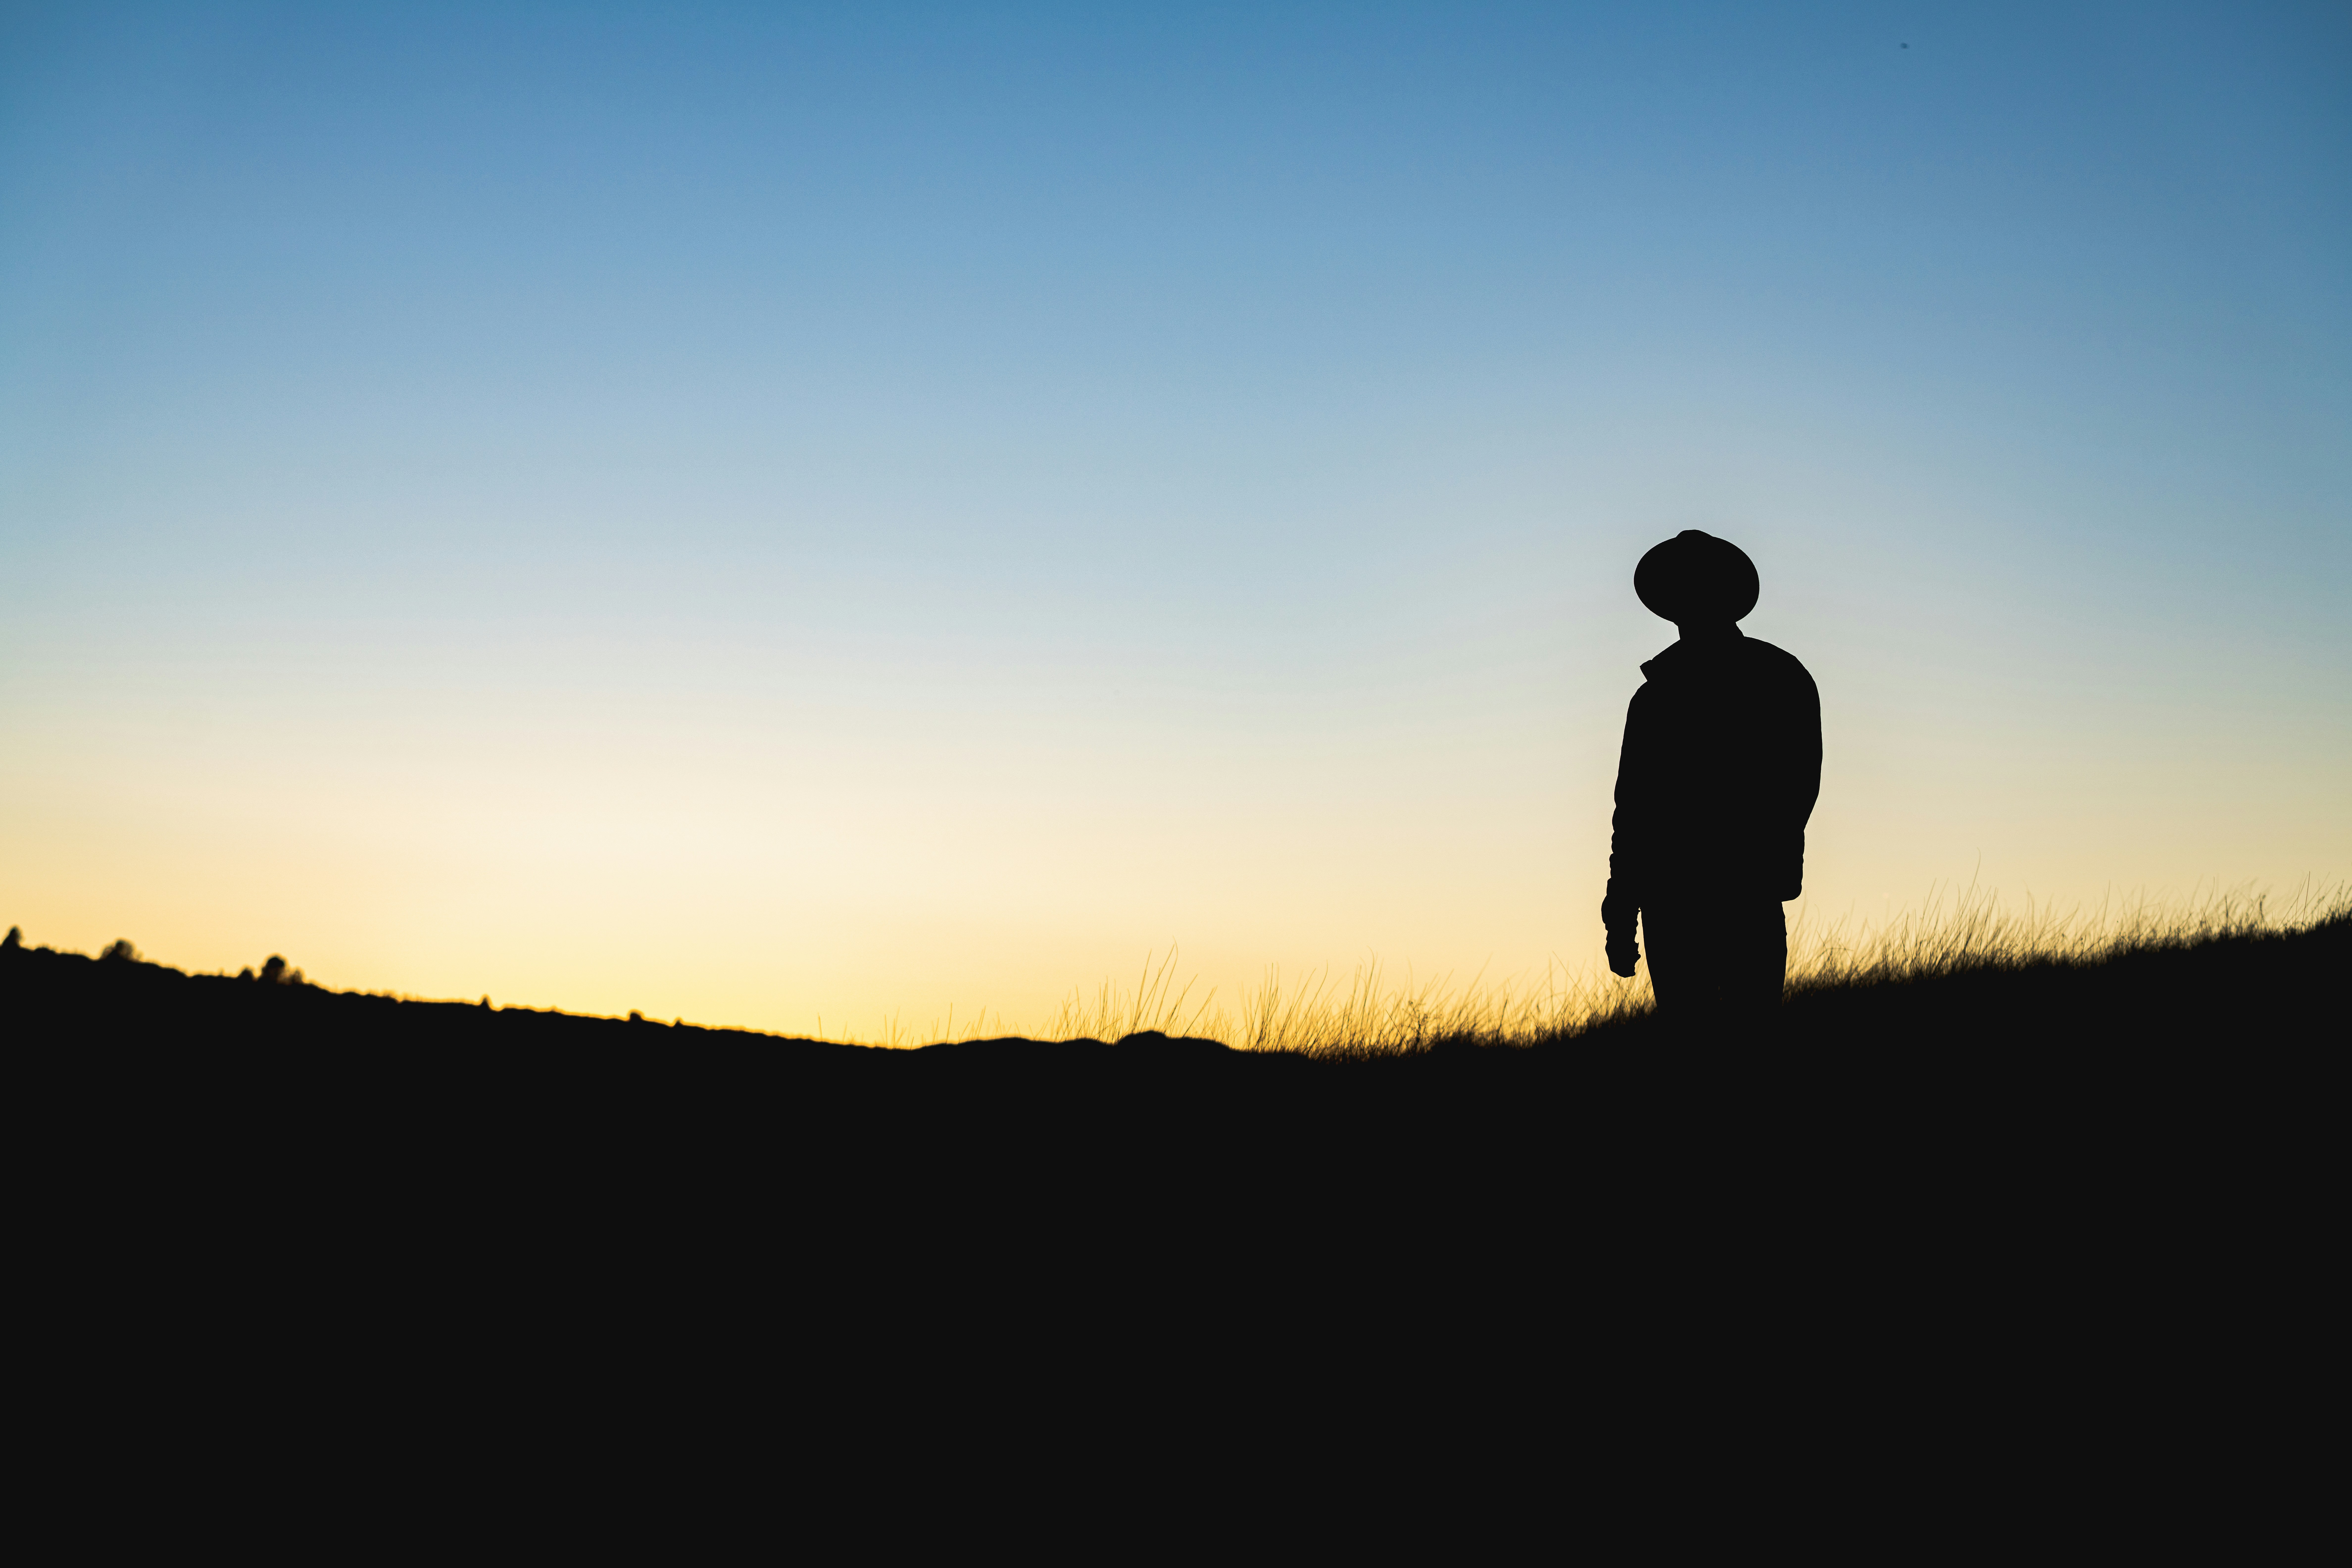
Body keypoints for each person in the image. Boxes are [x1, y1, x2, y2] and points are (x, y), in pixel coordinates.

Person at [1602, 530, 1820, 1035]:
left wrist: (1622, 912)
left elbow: (1797, 788)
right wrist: (1621, 913)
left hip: (1716, 895)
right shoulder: (1779, 677)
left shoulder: (1771, 679)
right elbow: (1632, 812)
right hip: (1708, 897)